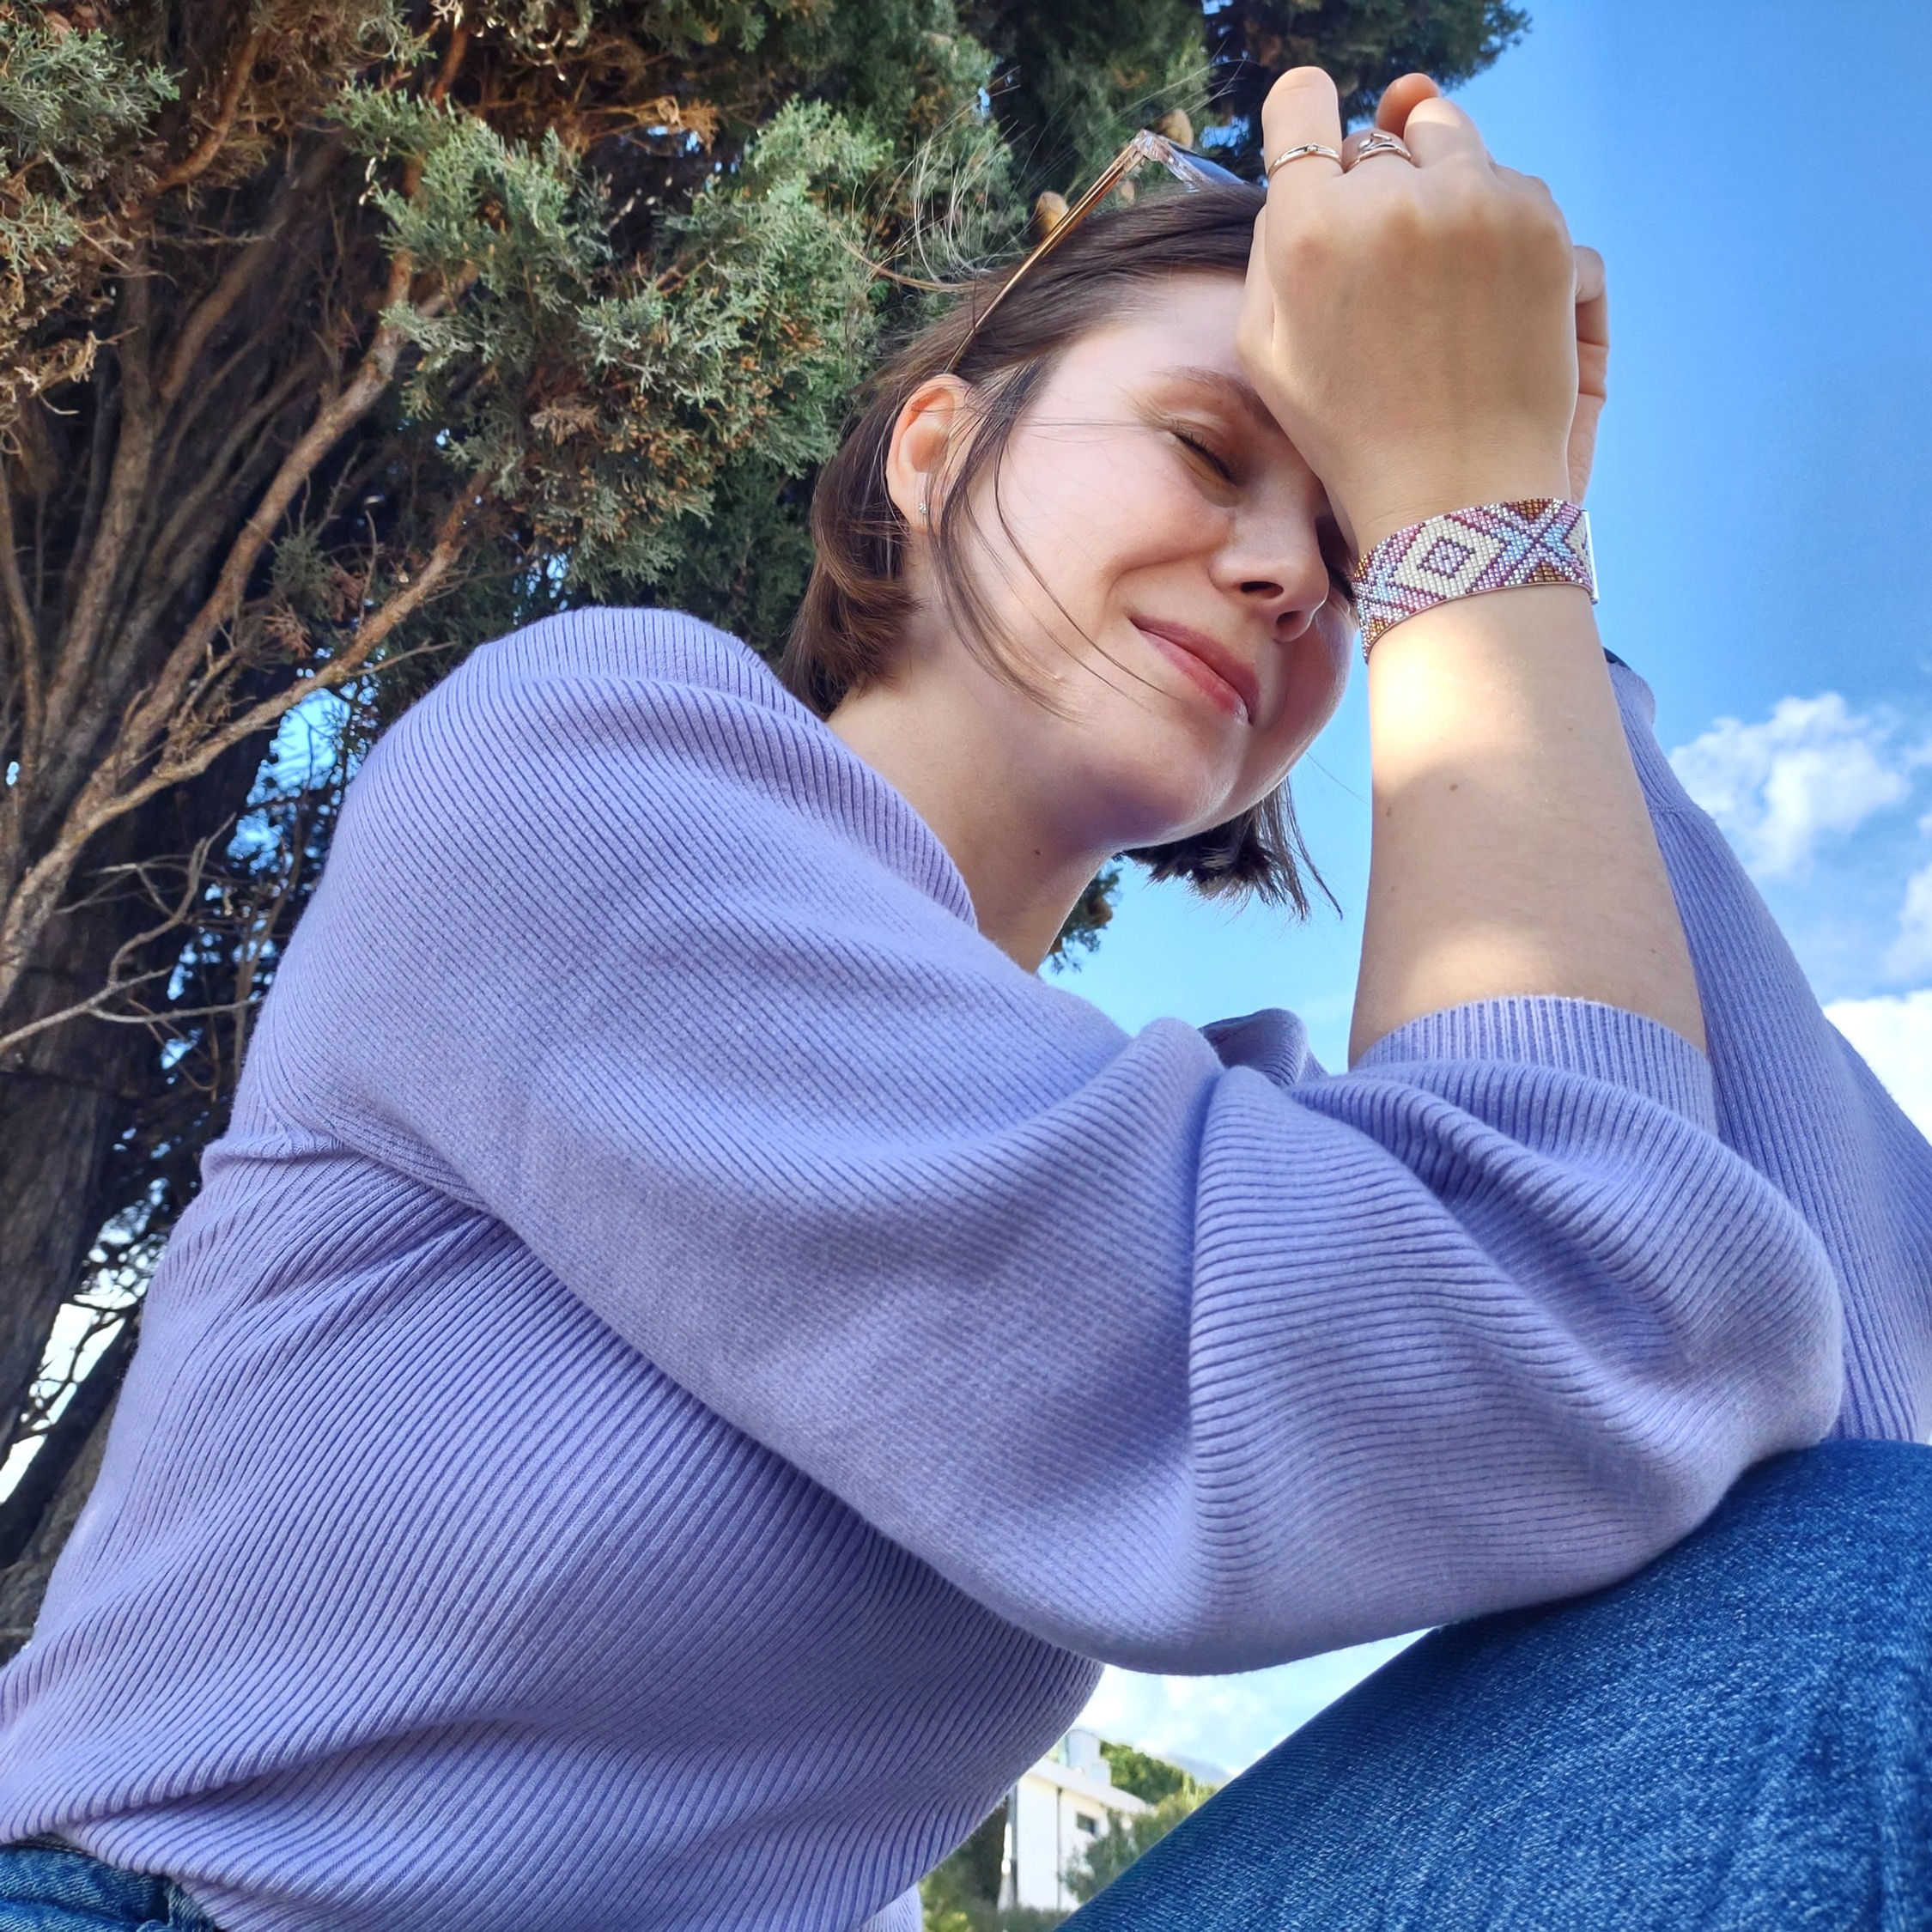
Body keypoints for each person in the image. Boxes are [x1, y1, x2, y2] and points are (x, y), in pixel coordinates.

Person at [0, 64, 1925, 1932]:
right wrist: (1464, 537)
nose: (1286, 572)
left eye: (1351, 554)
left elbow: (1852, 1403)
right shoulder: (582, 773)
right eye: (1205, 447)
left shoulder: (1168, 1125)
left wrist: (1514, 547)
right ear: (935, 450)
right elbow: (1578, 1315)